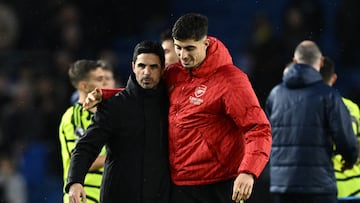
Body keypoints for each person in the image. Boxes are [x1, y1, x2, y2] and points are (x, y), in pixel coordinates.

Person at [84, 13, 272, 203]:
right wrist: (106, 94)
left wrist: (248, 172)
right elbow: (145, 92)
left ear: (205, 44)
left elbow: (258, 129)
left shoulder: (231, 81)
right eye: (178, 48)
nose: (183, 55)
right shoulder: (174, 73)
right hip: (179, 185)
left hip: (218, 185)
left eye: (190, 48)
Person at [66, 40, 171, 203]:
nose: (146, 72)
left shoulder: (171, 105)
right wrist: (75, 181)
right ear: (133, 66)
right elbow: (86, 146)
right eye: (142, 66)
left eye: (153, 67)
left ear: (162, 69)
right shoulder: (114, 106)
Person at [266, 40, 358, 203]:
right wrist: (349, 159)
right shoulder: (328, 96)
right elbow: (345, 138)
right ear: (321, 62)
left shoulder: (275, 95)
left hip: (283, 186)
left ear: (295, 61)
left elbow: (267, 136)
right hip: (318, 185)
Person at [59, 59, 110, 203]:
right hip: (84, 196)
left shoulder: (107, 116)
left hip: (108, 193)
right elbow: (80, 160)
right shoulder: (73, 117)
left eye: (106, 78)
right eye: (100, 79)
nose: (105, 83)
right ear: (83, 85)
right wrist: (115, 155)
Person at [320, 56, 360, 202]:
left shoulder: (305, 108)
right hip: (355, 188)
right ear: (333, 78)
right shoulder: (353, 108)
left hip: (324, 189)